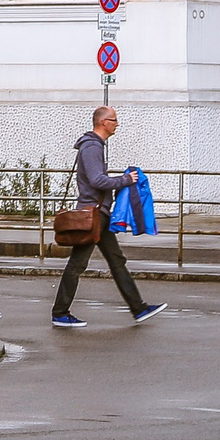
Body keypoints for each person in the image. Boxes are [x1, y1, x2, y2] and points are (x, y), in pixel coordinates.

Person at [51, 104, 163, 329]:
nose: (117, 124)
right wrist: (126, 180)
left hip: (98, 214)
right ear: (103, 122)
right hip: (93, 215)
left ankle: (138, 308)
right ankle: (60, 312)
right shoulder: (92, 147)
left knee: (116, 260)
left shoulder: (93, 145)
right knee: (78, 264)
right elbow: (97, 180)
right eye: (114, 120)